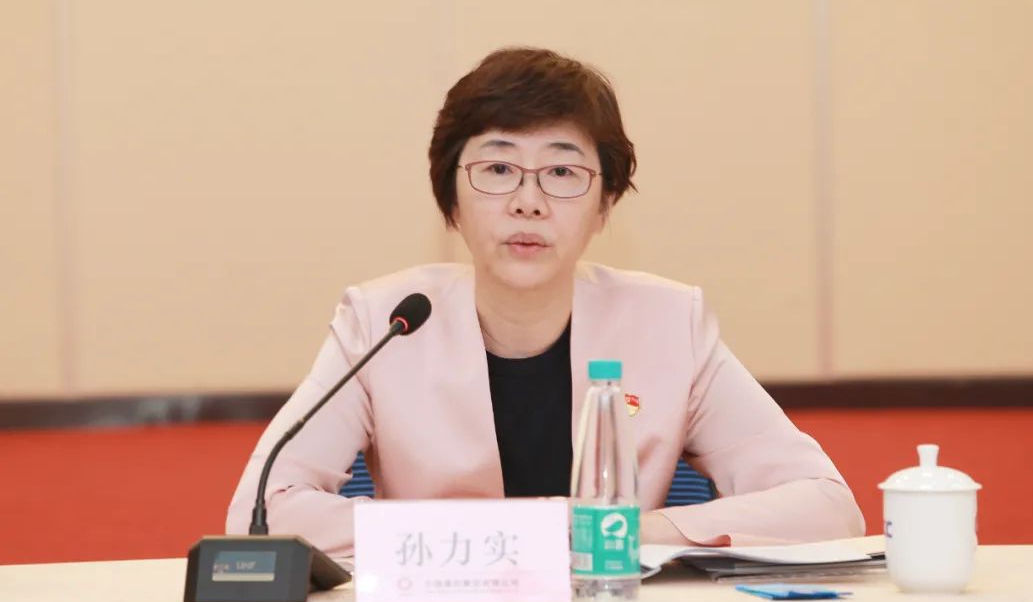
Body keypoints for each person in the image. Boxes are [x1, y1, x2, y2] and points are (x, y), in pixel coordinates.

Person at [226, 47, 865, 557]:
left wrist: (613, 535)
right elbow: (261, 511)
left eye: (561, 172)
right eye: (498, 169)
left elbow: (826, 505)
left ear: (604, 204)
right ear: (451, 201)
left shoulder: (670, 324)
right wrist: (507, 539)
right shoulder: (384, 321)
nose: (528, 202)